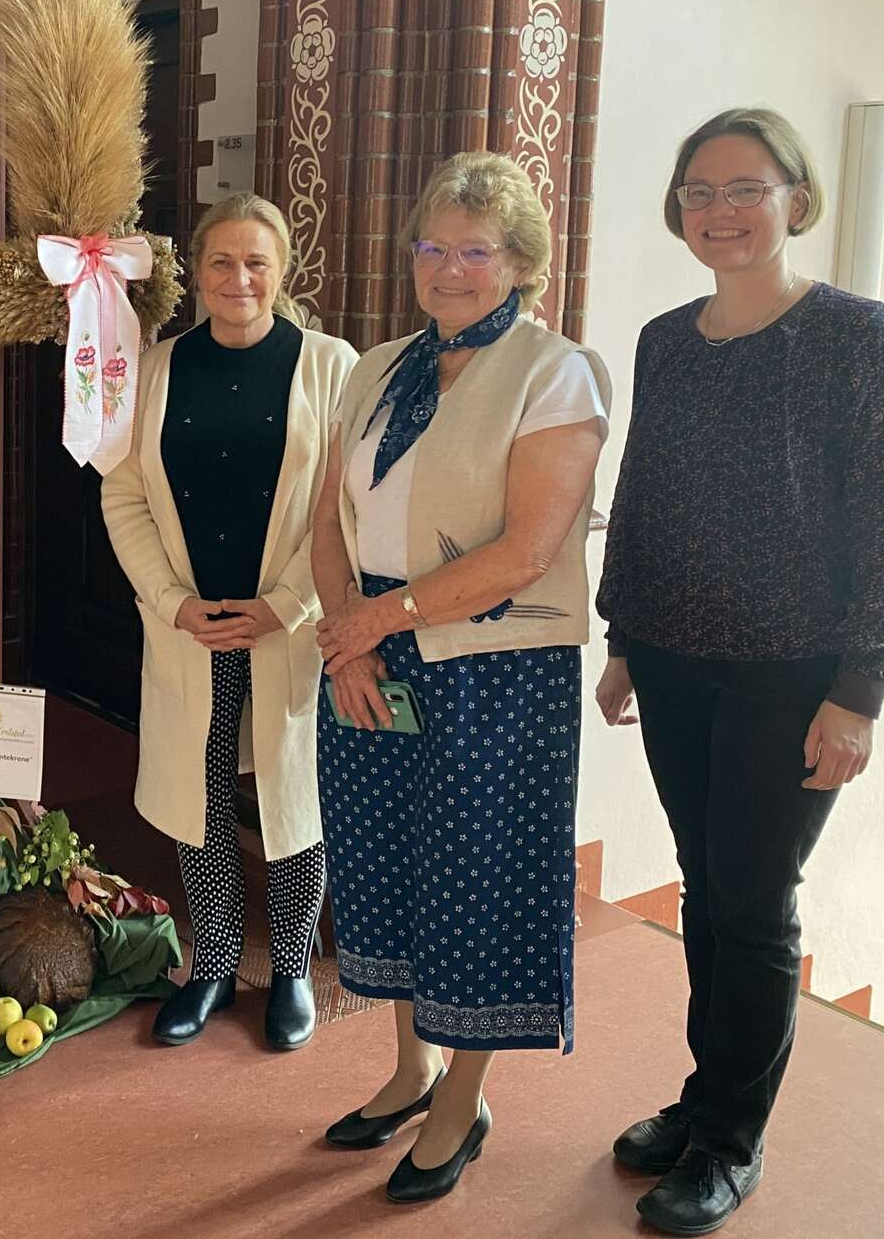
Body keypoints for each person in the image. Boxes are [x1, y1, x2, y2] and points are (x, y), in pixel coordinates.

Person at [595, 107, 884, 1236]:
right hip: (677, 658)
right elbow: (645, 493)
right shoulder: (664, 340)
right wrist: (623, 638)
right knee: (707, 887)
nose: (718, 212)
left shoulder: (854, 337)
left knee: (752, 901)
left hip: (794, 674)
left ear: (795, 198)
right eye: (696, 192)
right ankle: (701, 1104)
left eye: (743, 188)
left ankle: (732, 1140)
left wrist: (861, 688)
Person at [310, 151, 608, 1203]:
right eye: (430, 248)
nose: (447, 269)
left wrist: (373, 625)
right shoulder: (377, 363)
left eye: (473, 251)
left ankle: (462, 1098)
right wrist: (347, 640)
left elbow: (526, 548)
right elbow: (323, 518)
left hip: (490, 667)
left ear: (518, 262)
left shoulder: (550, 370)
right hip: (369, 642)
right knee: (384, 863)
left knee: (471, 878)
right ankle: (409, 1066)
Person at [100, 194, 358, 1051]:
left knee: (293, 798)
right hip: (191, 626)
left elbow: (346, 503)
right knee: (199, 797)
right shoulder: (158, 367)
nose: (238, 279)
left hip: (288, 626)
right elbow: (124, 492)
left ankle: (289, 968)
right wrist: (171, 603)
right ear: (197, 272)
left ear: (283, 271)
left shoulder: (330, 366)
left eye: (256, 262)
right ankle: (211, 962)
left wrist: (288, 603)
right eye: (221, 262)